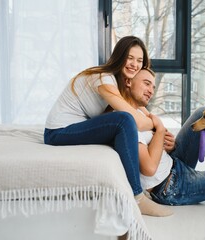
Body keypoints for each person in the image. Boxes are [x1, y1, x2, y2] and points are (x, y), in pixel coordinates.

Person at [44, 36, 172, 217]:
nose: (134, 64)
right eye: (130, 58)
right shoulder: (103, 79)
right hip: (58, 132)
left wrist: (158, 129)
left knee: (124, 119)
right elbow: (137, 120)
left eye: (139, 60)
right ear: (120, 56)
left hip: (75, 127)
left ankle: (138, 193)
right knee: (123, 120)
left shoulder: (117, 83)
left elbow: (139, 110)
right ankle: (137, 197)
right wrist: (157, 124)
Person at [122, 68, 205, 206]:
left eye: (153, 86)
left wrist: (167, 145)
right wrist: (160, 130)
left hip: (173, 162)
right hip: (172, 185)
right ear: (128, 81)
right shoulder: (127, 120)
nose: (151, 90)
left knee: (203, 114)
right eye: (146, 83)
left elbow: (149, 147)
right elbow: (149, 169)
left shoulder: (138, 111)